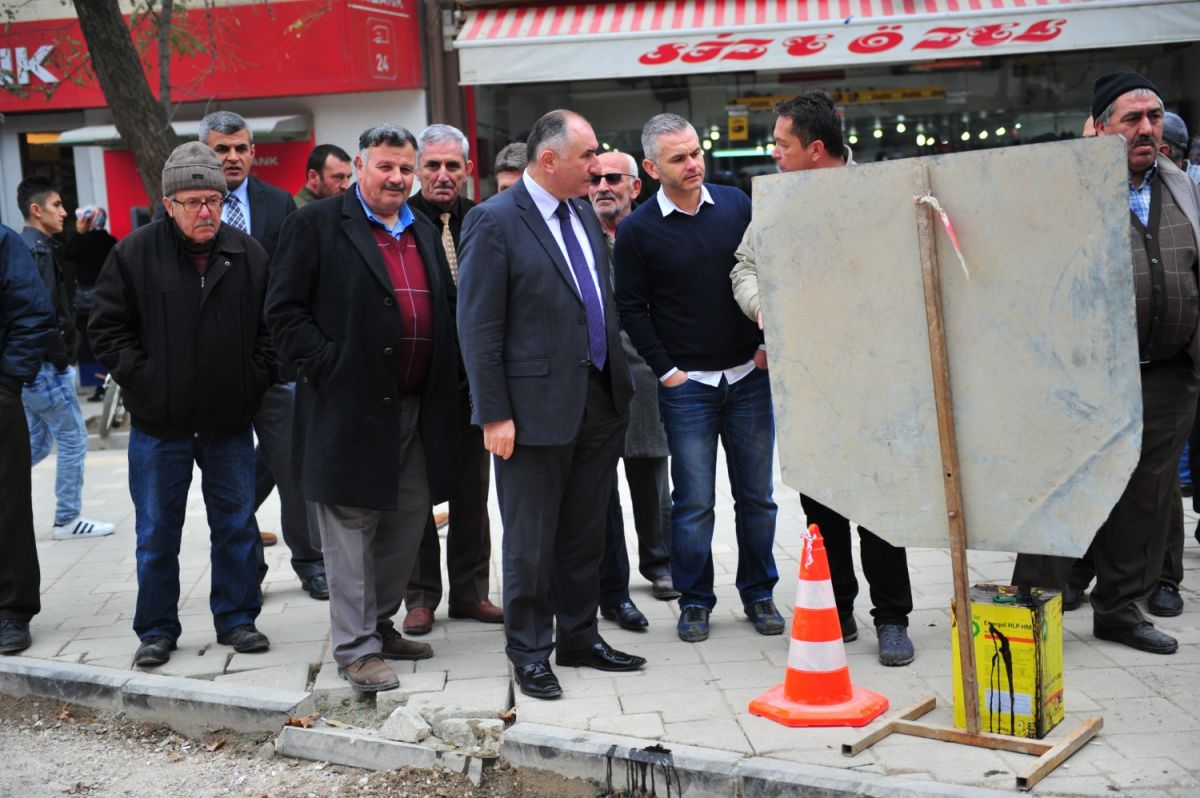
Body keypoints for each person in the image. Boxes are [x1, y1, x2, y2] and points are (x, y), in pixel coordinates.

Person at [457, 110, 643, 700]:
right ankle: (530, 651)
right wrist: (493, 413)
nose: (598, 168)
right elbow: (478, 327)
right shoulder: (494, 221)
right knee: (531, 539)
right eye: (588, 156)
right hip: (529, 411)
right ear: (549, 160)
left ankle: (581, 637)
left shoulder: (583, 212)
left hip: (597, 400)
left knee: (586, 531)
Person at [1012, 72, 1200, 655]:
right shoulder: (1062, 191)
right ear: (1098, 128)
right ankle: (1026, 611)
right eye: (1131, 119)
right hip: (1084, 378)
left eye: (1153, 116)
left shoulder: (1182, 185)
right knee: (1062, 489)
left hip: (1168, 372)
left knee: (1145, 500)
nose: (1147, 129)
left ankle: (1119, 609)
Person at [267, 124, 458, 692]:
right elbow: (282, 313)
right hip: (349, 407)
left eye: (406, 168)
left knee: (404, 524)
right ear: (359, 165)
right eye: (386, 167)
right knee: (350, 528)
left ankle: (378, 626)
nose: (398, 178)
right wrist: (330, 363)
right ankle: (354, 649)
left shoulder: (421, 228)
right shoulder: (317, 224)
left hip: (416, 407)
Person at [728, 92, 915, 667]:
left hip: (875, 381)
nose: (775, 155)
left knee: (881, 505)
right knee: (822, 506)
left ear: (814, 148)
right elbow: (745, 266)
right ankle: (837, 610)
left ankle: (893, 619)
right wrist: (763, 306)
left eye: (782, 145)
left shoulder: (882, 197)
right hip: (806, 382)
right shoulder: (778, 203)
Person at [89, 142, 275, 667]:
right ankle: (155, 629)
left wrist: (253, 378)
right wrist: (144, 380)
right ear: (168, 203)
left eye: (213, 199)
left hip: (229, 422)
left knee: (236, 525)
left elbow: (272, 329)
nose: (205, 211)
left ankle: (238, 619)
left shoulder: (248, 254)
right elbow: (106, 329)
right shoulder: (133, 254)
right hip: (159, 424)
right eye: (193, 201)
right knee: (155, 533)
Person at [614, 113, 781, 645]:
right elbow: (632, 309)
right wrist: (667, 372)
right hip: (688, 388)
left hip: (749, 377)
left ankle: (759, 593)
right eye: (678, 158)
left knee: (757, 497)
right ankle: (695, 601)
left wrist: (763, 346)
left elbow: (767, 274)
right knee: (693, 503)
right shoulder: (638, 229)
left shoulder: (735, 204)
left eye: (695, 152)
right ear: (651, 167)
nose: (693, 164)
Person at [199, 111, 327, 595]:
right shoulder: (188, 209)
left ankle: (310, 559)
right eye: (221, 149)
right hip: (216, 365)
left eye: (240, 148)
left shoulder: (278, 204)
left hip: (277, 362)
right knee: (229, 472)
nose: (232, 157)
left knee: (293, 464)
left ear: (253, 152)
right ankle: (245, 566)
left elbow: (301, 278)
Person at [402, 124, 502, 636]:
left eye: (453, 166)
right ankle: (420, 597)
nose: (443, 175)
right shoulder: (399, 222)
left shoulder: (481, 219)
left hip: (472, 380)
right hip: (420, 379)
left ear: (467, 169)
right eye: (433, 166)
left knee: (471, 492)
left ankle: (471, 592)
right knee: (416, 492)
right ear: (418, 170)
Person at [587, 151, 676, 632]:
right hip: (597, 378)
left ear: (635, 186)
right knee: (601, 488)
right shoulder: (579, 236)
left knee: (650, 473)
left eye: (613, 179)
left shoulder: (650, 233)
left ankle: (660, 563)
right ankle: (611, 582)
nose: (602, 186)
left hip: (647, 373)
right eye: (595, 178)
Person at [17, 177, 114, 541]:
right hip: (43, 365)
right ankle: (67, 519)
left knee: (38, 442)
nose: (65, 212)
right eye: (57, 205)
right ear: (36, 210)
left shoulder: (33, 246)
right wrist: (60, 357)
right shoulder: (37, 252)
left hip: (35, 364)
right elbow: (40, 312)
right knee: (73, 437)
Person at [0, 223, 55, 655]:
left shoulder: (2, 241)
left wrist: (8, 379)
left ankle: (12, 612)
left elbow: (34, 311)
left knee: (7, 502)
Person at [61, 206, 116, 402]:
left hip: (86, 302)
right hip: (110, 299)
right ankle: (112, 382)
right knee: (109, 338)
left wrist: (79, 233)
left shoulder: (84, 241)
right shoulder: (111, 241)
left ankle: (97, 385)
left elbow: (67, 253)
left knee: (88, 342)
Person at [294, 144, 353, 208]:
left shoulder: (328, 205)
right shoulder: (301, 212)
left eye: (348, 177)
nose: (346, 186)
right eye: (338, 177)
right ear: (313, 177)